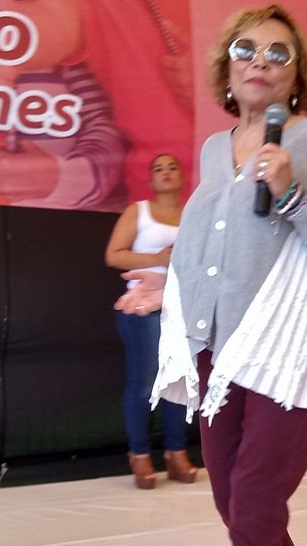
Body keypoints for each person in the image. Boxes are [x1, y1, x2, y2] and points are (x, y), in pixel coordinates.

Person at [115, 5, 307, 546]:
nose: (260, 61)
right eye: (245, 49)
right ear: (226, 69)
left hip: (285, 351)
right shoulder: (212, 148)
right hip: (215, 352)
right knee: (237, 505)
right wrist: (168, 281)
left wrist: (291, 195)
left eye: (278, 53)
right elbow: (210, 247)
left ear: (296, 74)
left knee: (253, 502)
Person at [105, 153, 196, 489]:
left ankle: (176, 453)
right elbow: (113, 255)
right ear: (151, 180)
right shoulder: (138, 211)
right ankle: (140, 455)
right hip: (143, 309)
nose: (166, 172)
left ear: (183, 176)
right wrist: (158, 258)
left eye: (173, 167)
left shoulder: (194, 214)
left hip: (183, 307)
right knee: (144, 383)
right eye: (159, 168)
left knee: (179, 382)